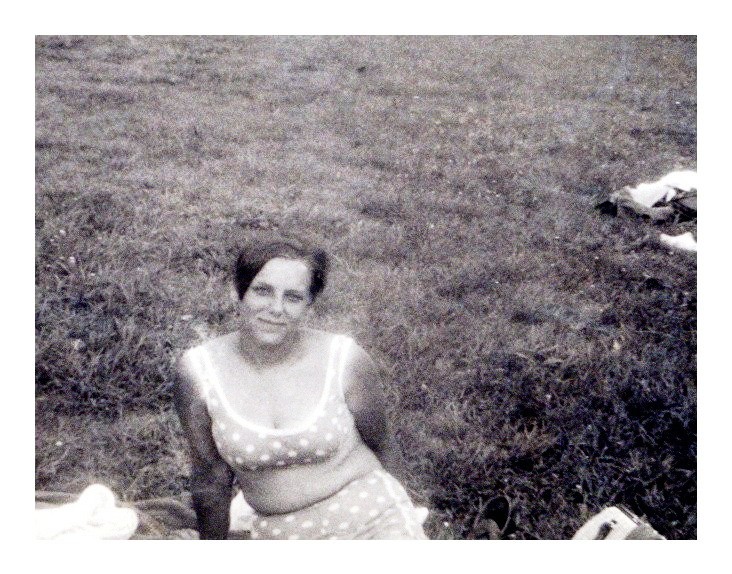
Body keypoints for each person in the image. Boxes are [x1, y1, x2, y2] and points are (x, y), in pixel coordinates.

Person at [173, 235, 428, 539]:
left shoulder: (345, 360)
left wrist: (409, 520)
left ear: (309, 304)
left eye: (293, 297)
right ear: (237, 293)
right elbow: (210, 477)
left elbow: (383, 444)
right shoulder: (198, 372)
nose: (276, 308)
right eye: (263, 291)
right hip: (281, 530)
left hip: (370, 513)